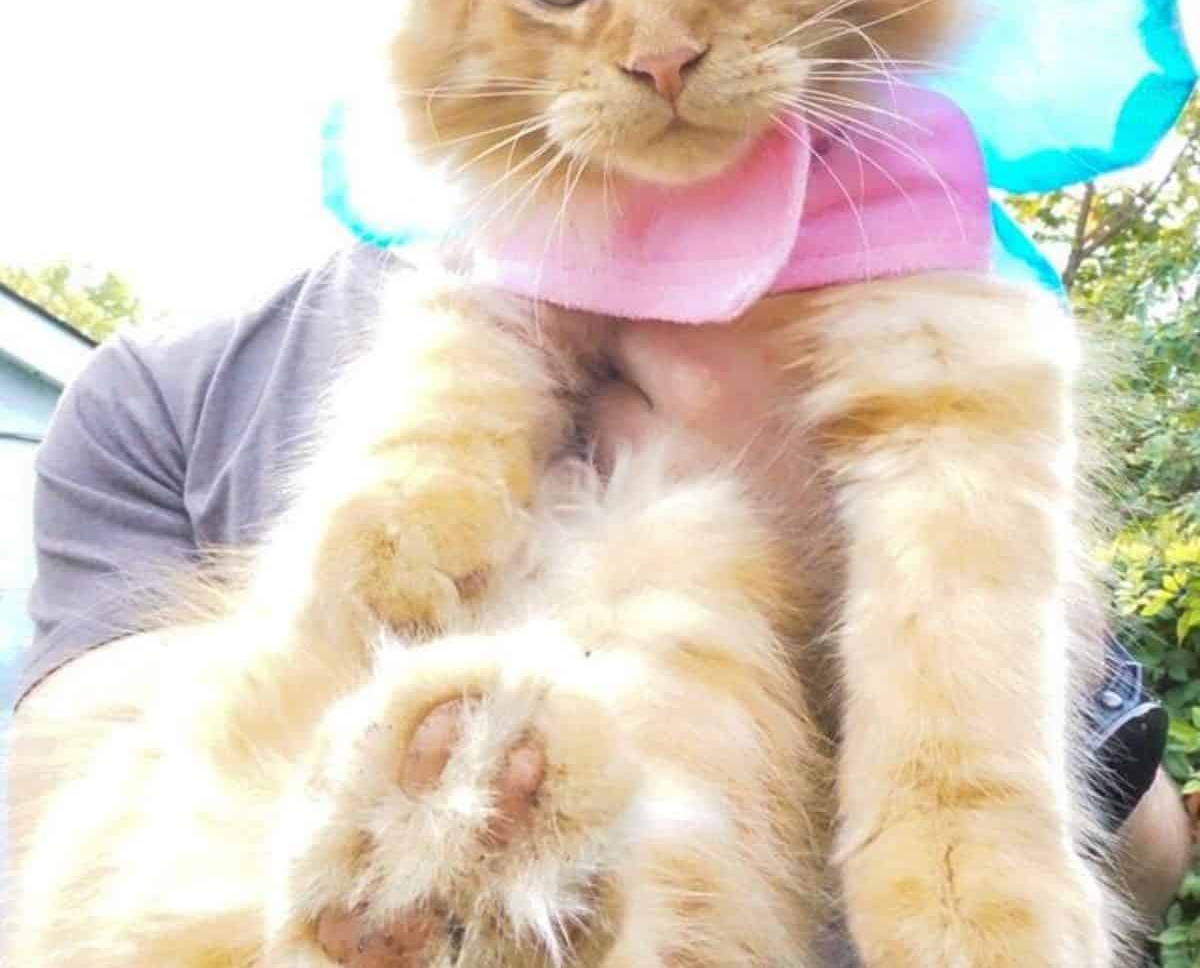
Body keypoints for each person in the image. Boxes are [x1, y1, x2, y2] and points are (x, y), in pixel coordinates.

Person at [7, 243, 1193, 965]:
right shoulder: (156, 393)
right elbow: (59, 842)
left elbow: (1142, 870)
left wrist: (860, 546)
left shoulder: (913, 308)